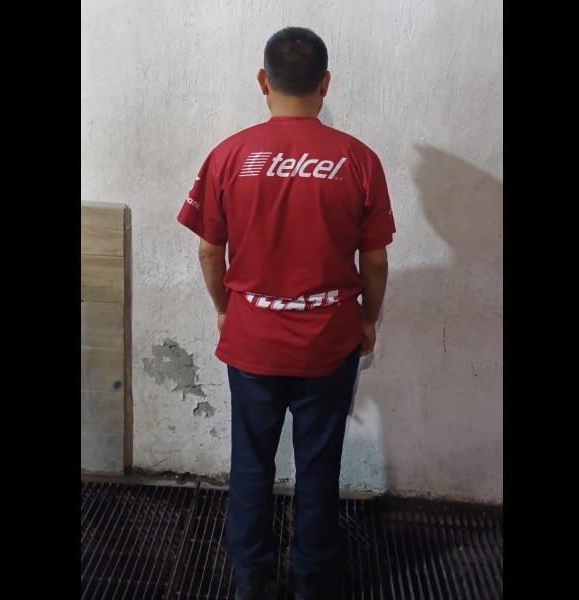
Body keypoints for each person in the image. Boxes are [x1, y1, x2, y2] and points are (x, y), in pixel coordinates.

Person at [177, 26, 395, 600]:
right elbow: (374, 261)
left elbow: (209, 251)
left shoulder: (229, 156)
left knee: (251, 463)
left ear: (262, 81)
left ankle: (252, 579)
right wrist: (368, 319)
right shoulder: (358, 160)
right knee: (319, 467)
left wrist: (225, 309)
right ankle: (313, 582)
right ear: (325, 84)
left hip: (252, 339)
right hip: (329, 341)